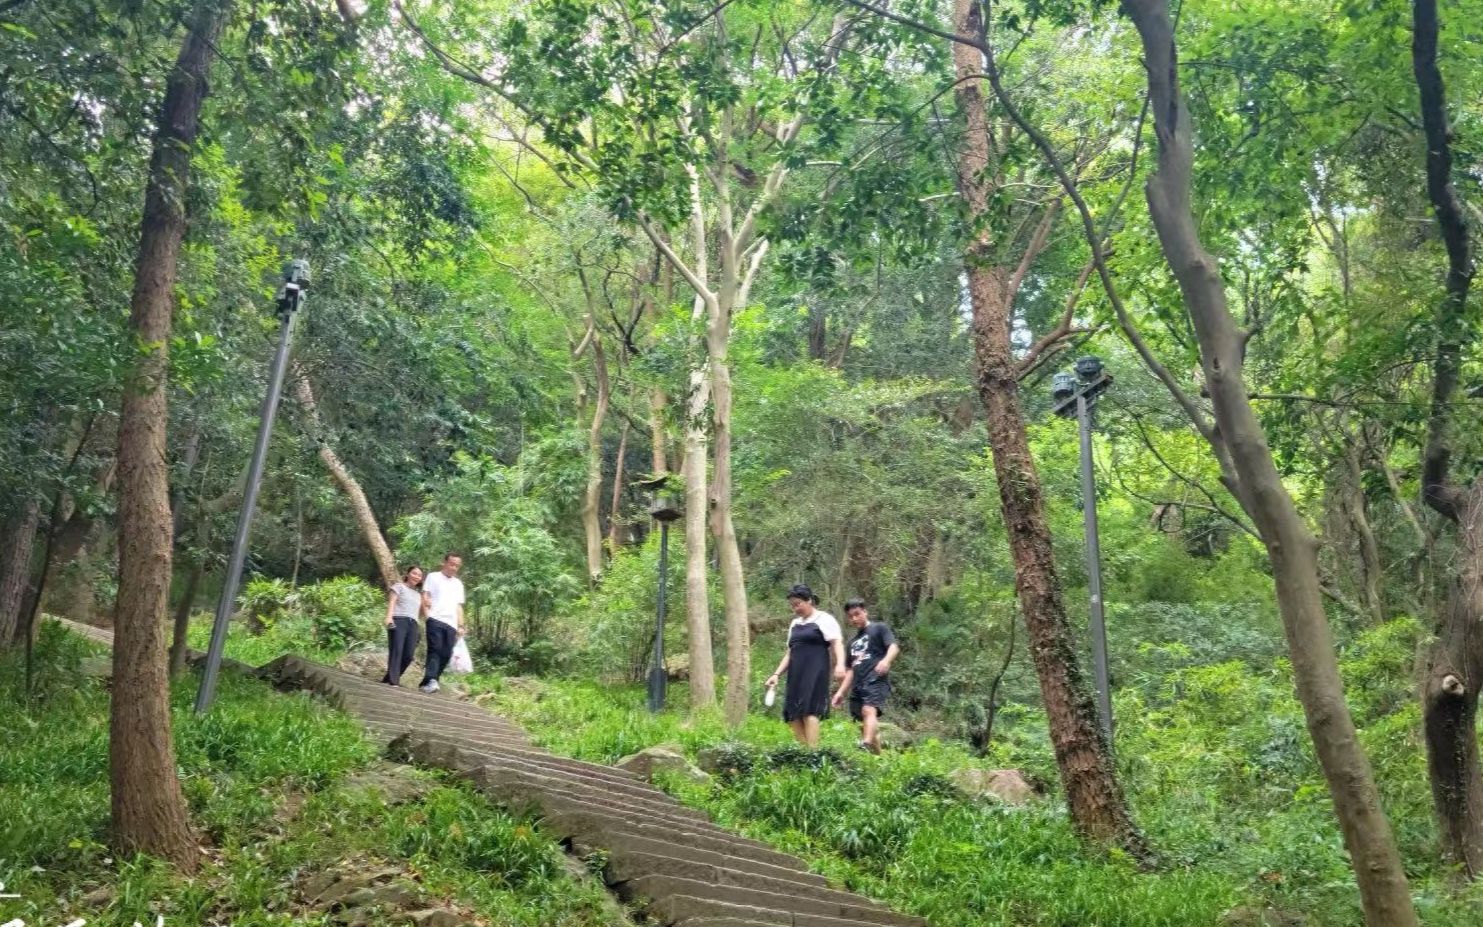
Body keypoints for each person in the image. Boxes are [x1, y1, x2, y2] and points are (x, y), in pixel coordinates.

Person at [764, 583, 845, 748]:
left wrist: (840, 665)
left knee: (810, 710)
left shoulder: (824, 619)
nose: (795, 608)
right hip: (796, 672)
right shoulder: (795, 624)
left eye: (798, 604)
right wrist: (776, 674)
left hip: (816, 669)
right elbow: (789, 653)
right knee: (792, 714)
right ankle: (804, 752)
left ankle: (814, 753)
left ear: (809, 600)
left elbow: (837, 643)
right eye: (792, 605)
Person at [831, 597, 900, 755]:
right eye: (851, 616)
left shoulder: (879, 628)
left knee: (869, 710)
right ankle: (878, 757)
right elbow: (850, 670)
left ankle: (866, 744)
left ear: (865, 612)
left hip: (876, 679)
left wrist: (886, 661)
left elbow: (894, 647)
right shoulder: (852, 643)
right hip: (858, 684)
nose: (854, 618)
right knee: (865, 724)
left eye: (857, 614)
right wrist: (841, 692)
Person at [418, 552, 464, 693]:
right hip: (435, 619)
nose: (453, 567)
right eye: (451, 564)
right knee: (435, 648)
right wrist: (428, 616)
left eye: (457, 565)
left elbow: (459, 606)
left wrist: (461, 625)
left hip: (451, 624)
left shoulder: (458, 584)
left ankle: (430, 682)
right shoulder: (433, 577)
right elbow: (425, 596)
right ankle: (431, 680)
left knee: (446, 653)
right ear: (444, 563)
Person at [382, 566, 425, 686]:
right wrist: (389, 617)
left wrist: (427, 605)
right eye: (414, 573)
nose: (416, 576)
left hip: (413, 624)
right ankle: (393, 681)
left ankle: (388, 678)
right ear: (408, 574)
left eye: (419, 575)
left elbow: (420, 613)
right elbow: (392, 602)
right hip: (399, 619)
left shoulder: (418, 595)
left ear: (421, 579)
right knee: (397, 650)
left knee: (408, 655)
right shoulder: (398, 587)